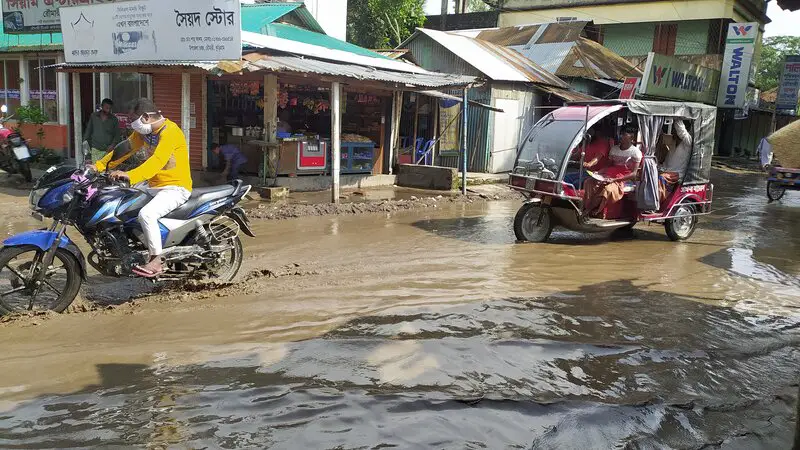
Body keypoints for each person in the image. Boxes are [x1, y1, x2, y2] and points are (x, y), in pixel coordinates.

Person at [103, 98, 192, 278]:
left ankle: (156, 260)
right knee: (122, 203)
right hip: (153, 185)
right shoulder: (144, 133)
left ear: (145, 117)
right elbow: (124, 150)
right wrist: (99, 166)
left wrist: (131, 175)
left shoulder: (170, 132)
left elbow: (157, 161)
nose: (132, 125)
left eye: (133, 120)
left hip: (175, 187)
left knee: (147, 214)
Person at [583, 127, 642, 219]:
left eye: (624, 135)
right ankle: (586, 207)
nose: (621, 136)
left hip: (623, 178)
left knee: (606, 189)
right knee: (588, 182)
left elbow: (633, 174)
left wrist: (614, 180)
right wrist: (599, 172)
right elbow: (608, 166)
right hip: (609, 174)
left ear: (632, 138)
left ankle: (589, 210)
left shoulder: (636, 152)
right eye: (621, 134)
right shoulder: (614, 149)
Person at [658, 119, 692, 202]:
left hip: (677, 174)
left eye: (674, 129)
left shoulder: (688, 141)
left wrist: (676, 117)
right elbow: (667, 162)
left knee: (660, 178)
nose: (672, 132)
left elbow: (682, 131)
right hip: (667, 171)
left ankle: (656, 203)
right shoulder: (673, 143)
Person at [84, 98, 121, 163]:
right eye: (106, 108)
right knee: (95, 170)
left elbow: (117, 135)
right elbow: (88, 133)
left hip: (108, 151)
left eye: (110, 108)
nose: (108, 110)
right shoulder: (94, 116)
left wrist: (112, 145)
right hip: (95, 149)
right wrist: (87, 155)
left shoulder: (114, 119)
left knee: (106, 171)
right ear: (102, 106)